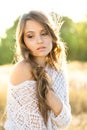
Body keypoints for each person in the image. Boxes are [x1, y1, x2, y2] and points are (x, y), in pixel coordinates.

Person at [4, 10, 71, 130]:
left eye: (44, 33)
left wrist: (48, 94)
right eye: (30, 36)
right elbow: (34, 126)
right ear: (23, 41)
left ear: (52, 34)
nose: (39, 40)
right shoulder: (22, 69)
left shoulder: (57, 68)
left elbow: (65, 121)